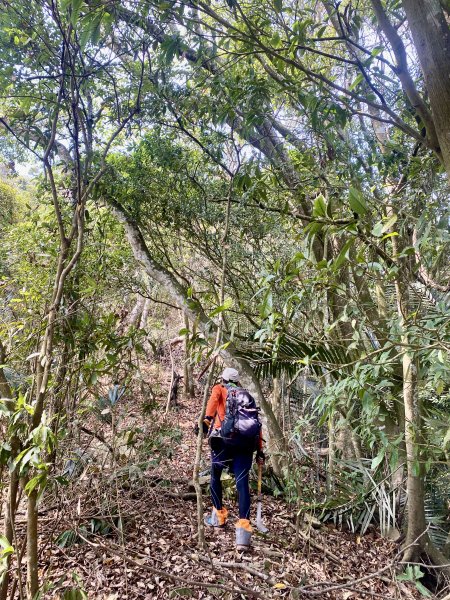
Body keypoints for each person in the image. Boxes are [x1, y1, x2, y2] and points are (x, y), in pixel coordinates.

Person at [199, 367, 265, 551]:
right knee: (242, 483)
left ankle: (218, 516)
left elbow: (212, 404)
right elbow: (255, 424)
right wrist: (260, 450)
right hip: (245, 443)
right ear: (237, 381)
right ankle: (243, 534)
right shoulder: (246, 396)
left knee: (215, 475)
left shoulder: (219, 388)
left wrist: (206, 422)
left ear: (224, 378)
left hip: (223, 441)